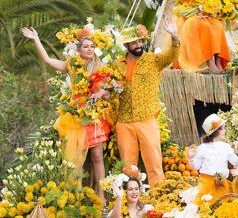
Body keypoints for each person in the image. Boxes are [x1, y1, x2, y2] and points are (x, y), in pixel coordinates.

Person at [22, 25, 115, 203]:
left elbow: (110, 93)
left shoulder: (101, 67)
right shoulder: (72, 65)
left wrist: (101, 94)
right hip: (75, 117)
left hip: (94, 115)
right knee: (76, 158)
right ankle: (76, 197)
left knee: (97, 156)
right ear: (78, 50)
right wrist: (36, 39)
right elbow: (48, 61)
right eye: (86, 46)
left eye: (92, 46)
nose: (89, 49)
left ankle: (102, 195)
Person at [109, 18, 179, 189]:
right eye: (134, 43)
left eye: (140, 41)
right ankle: (130, 201)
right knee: (128, 166)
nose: (139, 45)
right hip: (124, 120)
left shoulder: (152, 60)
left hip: (147, 118)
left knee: (154, 162)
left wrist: (175, 35)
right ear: (126, 46)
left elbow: (172, 56)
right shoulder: (116, 65)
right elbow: (109, 87)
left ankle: (159, 197)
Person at [188, 114, 238, 205]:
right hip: (205, 184)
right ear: (215, 131)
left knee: (222, 208)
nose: (225, 131)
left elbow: (236, 161)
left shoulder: (225, 146)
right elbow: (196, 167)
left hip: (221, 185)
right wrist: (191, 158)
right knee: (200, 209)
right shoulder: (202, 148)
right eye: (223, 128)